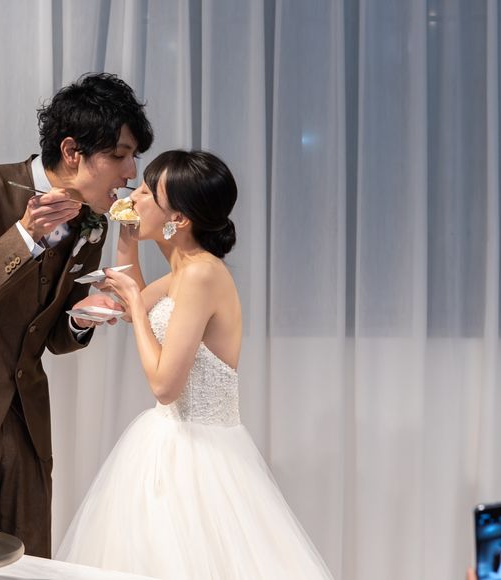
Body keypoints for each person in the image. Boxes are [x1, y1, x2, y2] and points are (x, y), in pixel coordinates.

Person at [56, 150, 334, 579]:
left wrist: (132, 303)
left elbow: (165, 385)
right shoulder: (185, 271)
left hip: (201, 454)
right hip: (169, 440)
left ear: (178, 219)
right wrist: (127, 238)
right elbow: (138, 309)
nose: (133, 197)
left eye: (146, 193)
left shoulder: (202, 275)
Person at [0, 72, 153, 557]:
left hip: (28, 422)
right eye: (120, 155)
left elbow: (50, 335)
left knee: (29, 559)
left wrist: (79, 319)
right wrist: (25, 234)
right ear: (72, 151)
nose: (130, 172)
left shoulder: (92, 220)